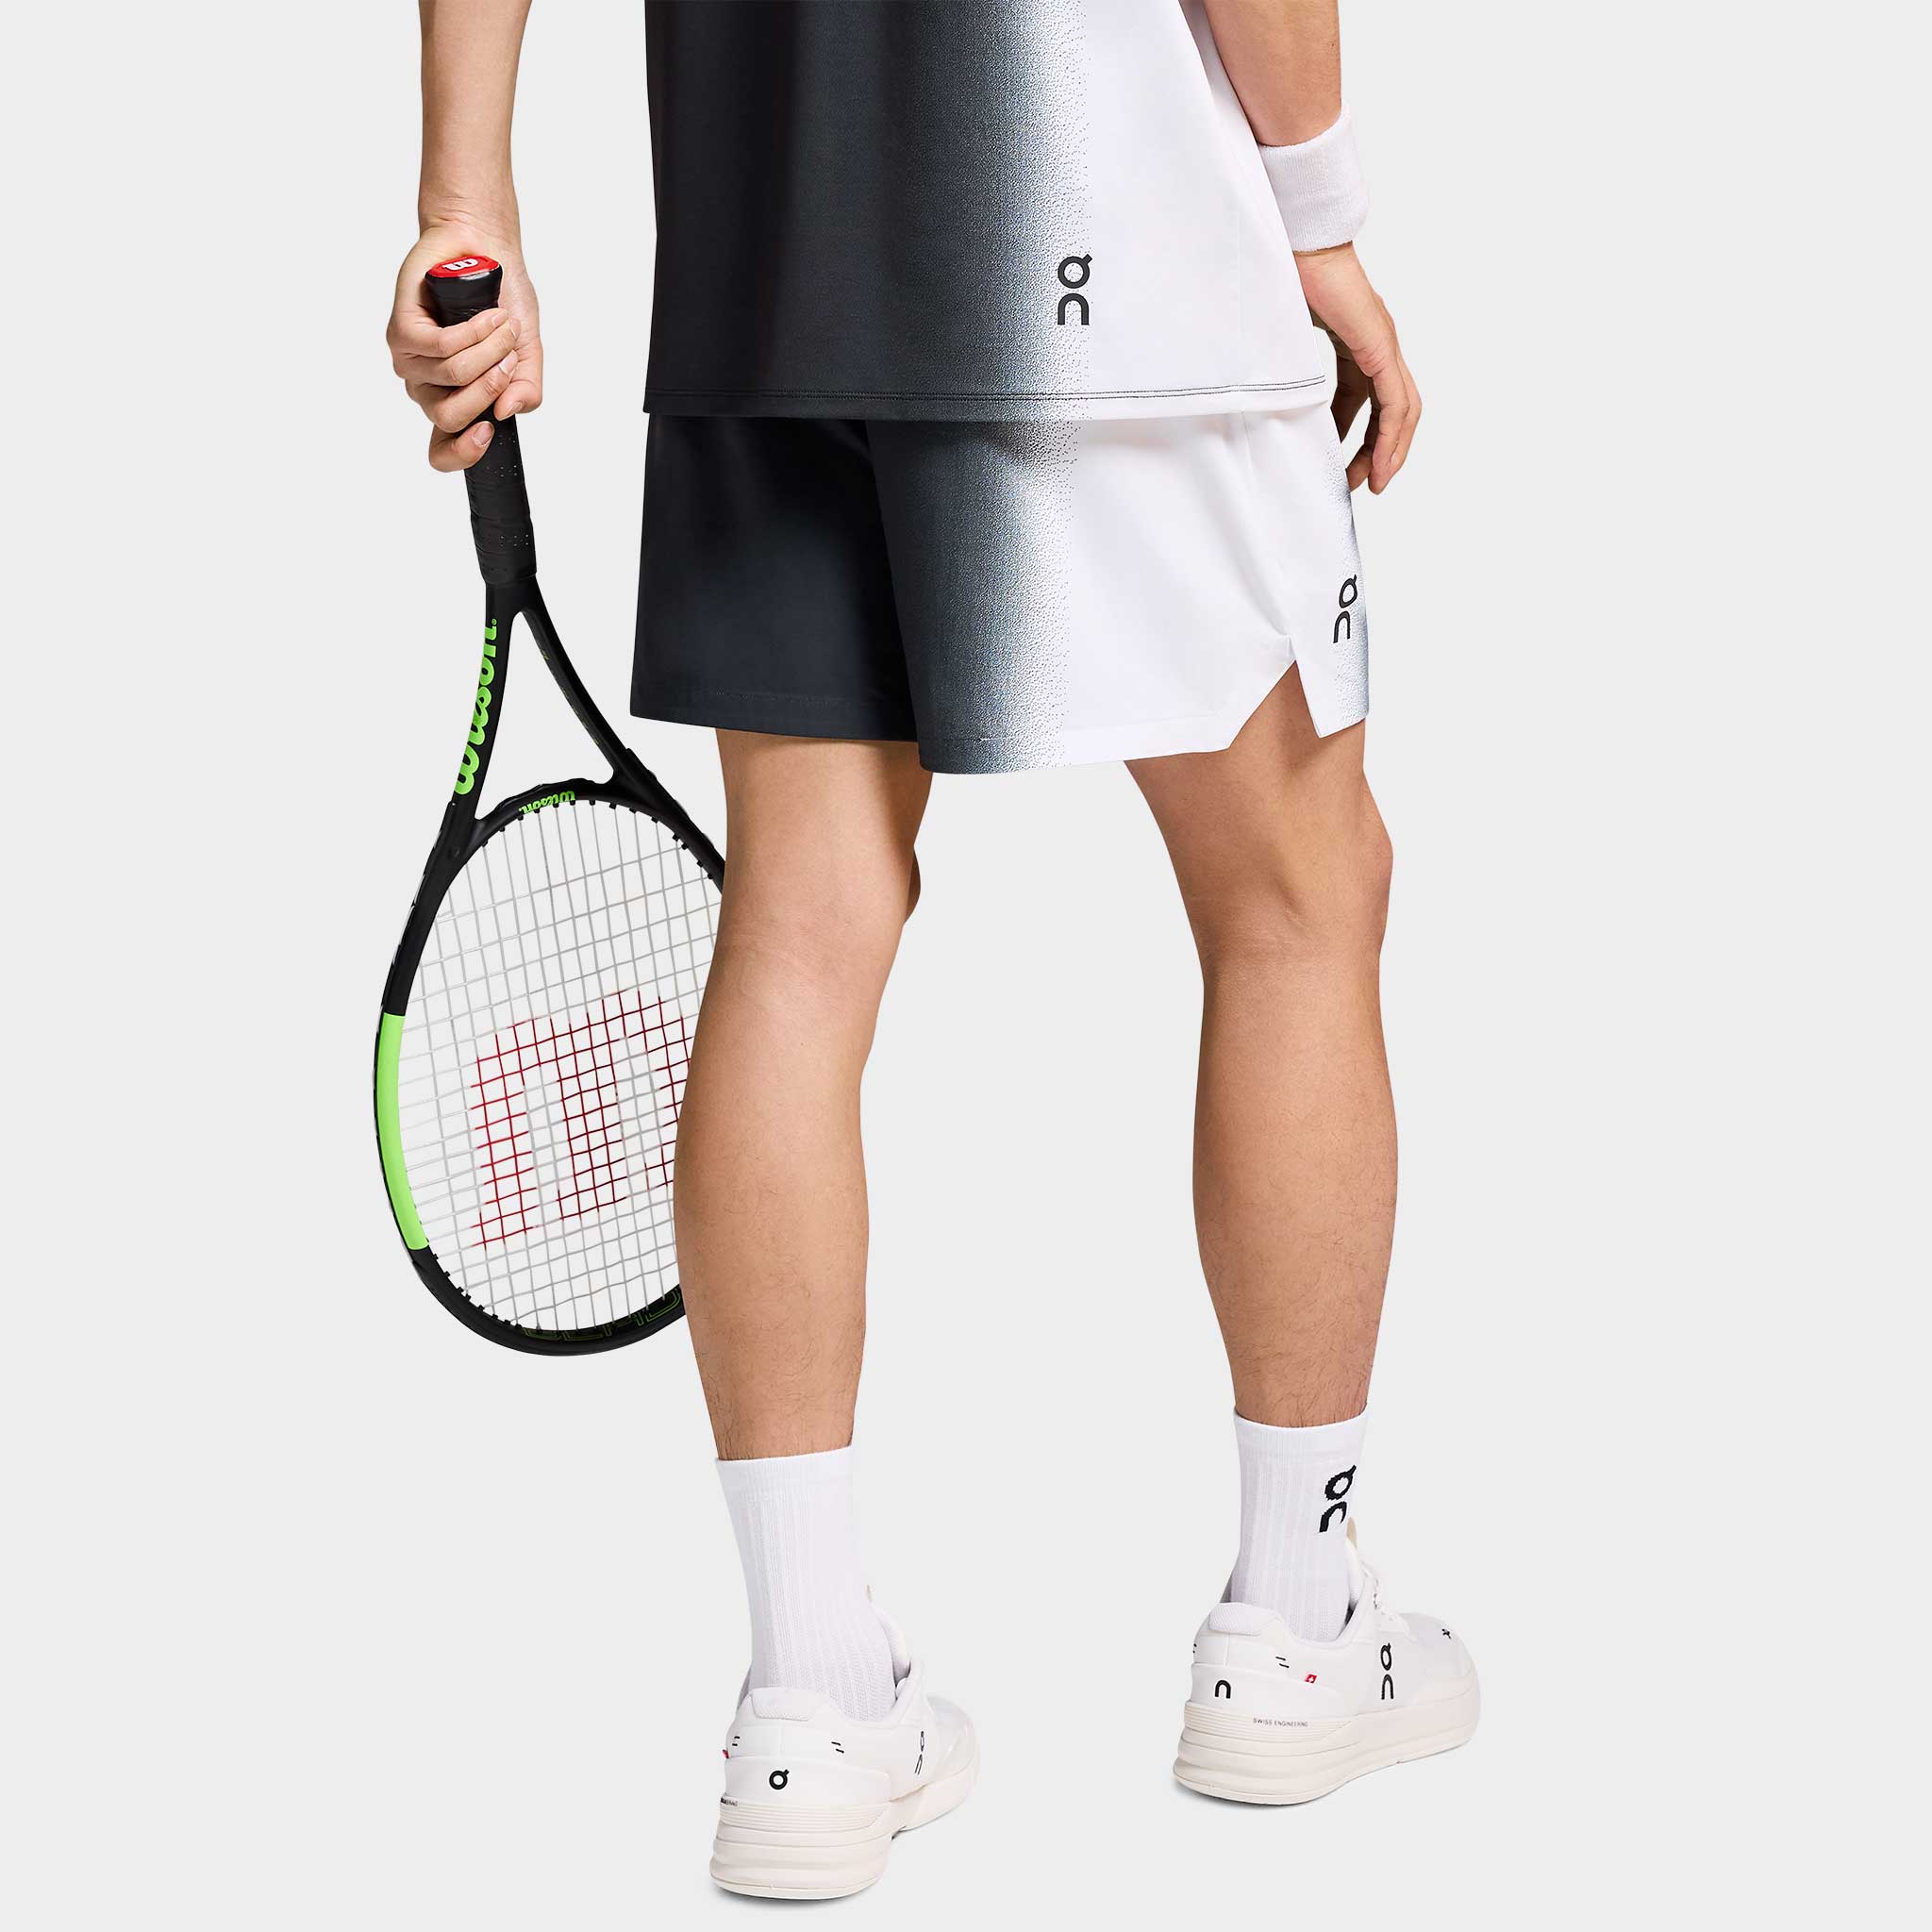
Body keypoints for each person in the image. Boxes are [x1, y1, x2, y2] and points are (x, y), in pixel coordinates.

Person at [388, 0, 1475, 1899]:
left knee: (802, 925)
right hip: (1108, 229)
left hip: (762, 258)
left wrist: (463, 195)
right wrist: (1315, 216)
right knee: (1302, 891)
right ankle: (1301, 1626)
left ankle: (811, 1708)